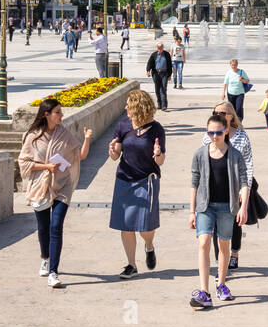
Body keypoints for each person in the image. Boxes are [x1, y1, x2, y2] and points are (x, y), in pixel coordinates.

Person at [18, 99, 94, 288]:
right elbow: (24, 163)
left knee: (56, 226)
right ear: (47, 114)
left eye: (61, 112)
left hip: (63, 186)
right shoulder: (33, 136)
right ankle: (45, 258)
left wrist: (87, 139)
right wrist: (46, 167)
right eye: (58, 112)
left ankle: (54, 271)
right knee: (43, 227)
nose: (61, 115)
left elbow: (81, 156)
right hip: (41, 186)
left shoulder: (64, 134)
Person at [188, 112, 250, 309]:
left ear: (226, 133)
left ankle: (221, 285)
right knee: (203, 242)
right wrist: (192, 211)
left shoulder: (235, 155)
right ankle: (204, 292)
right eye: (211, 133)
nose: (214, 136)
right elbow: (194, 183)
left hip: (227, 206)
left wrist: (243, 208)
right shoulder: (200, 154)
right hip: (205, 206)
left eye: (218, 133)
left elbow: (244, 182)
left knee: (224, 245)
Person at [107, 89, 165, 279]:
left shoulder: (156, 129)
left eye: (128, 105)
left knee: (146, 227)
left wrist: (157, 154)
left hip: (146, 180)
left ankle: (149, 246)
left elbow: (160, 161)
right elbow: (116, 156)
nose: (125, 108)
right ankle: (131, 265)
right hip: (124, 179)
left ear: (138, 107)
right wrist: (112, 151)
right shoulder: (123, 126)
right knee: (126, 225)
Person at [207, 101, 254, 270]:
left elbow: (248, 165)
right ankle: (220, 260)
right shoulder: (208, 135)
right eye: (216, 112)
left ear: (231, 116)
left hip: (235, 188)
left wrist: (245, 189)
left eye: (224, 113)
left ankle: (234, 253)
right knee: (215, 226)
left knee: (234, 224)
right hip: (214, 187)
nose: (219, 115)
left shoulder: (241, 136)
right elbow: (203, 163)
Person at [147, 40, 173, 111]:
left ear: (163, 47)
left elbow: (170, 65)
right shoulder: (154, 54)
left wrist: (170, 75)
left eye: (161, 48)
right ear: (157, 47)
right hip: (156, 73)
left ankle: (164, 105)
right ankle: (159, 104)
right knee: (157, 89)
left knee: (163, 89)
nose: (160, 49)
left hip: (164, 73)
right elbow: (149, 63)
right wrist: (148, 71)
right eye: (158, 48)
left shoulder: (167, 54)